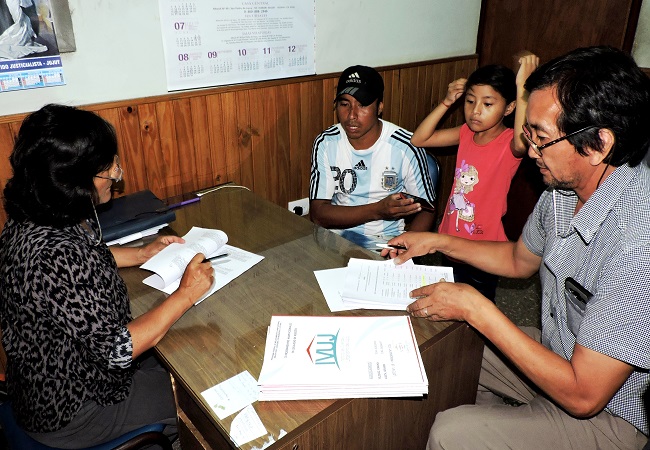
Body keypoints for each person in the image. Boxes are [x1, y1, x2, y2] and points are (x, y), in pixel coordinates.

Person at [384, 46, 650, 449]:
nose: (529, 151)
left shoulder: (637, 244)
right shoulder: (564, 187)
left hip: (609, 413)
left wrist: (477, 307)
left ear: (597, 145)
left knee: (449, 434)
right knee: (445, 345)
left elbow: (583, 394)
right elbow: (516, 259)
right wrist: (437, 240)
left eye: (539, 137)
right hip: (558, 350)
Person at [0, 104, 215, 448]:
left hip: (57, 380)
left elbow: (85, 259)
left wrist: (141, 254)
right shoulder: (53, 254)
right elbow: (117, 349)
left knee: (186, 361)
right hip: (76, 408)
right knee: (205, 396)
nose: (118, 173)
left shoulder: (37, 211)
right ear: (72, 181)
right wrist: (186, 294)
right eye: (108, 169)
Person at [410, 54, 539, 301]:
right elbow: (420, 139)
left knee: (477, 303)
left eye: (488, 104)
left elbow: (523, 145)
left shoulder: (509, 143)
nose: (475, 111)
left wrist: (523, 89)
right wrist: (447, 102)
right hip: (451, 235)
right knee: (450, 299)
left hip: (484, 247)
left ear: (509, 108)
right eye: (470, 101)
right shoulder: (466, 133)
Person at [309, 65, 437, 250]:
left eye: (362, 105)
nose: (352, 115)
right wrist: (378, 210)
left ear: (380, 107)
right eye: (344, 104)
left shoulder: (405, 147)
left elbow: (427, 210)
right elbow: (318, 214)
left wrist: (405, 248)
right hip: (335, 238)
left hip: (387, 242)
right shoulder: (326, 143)